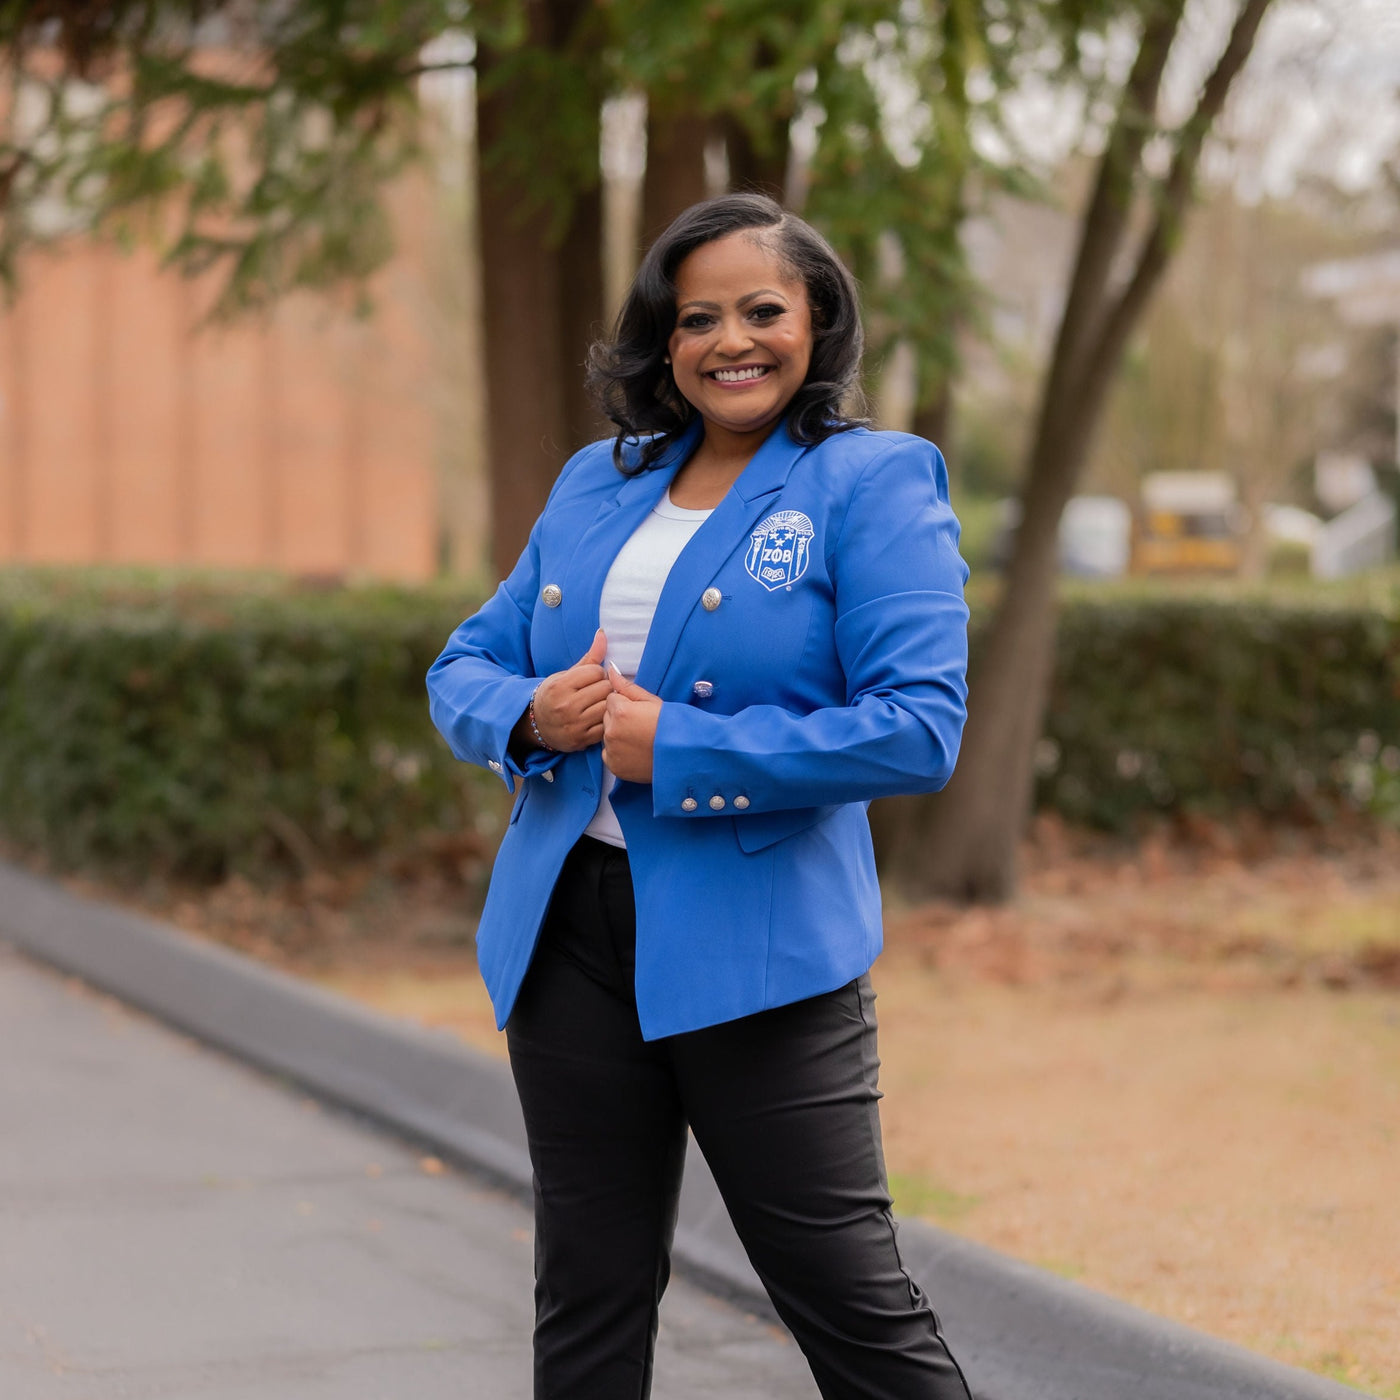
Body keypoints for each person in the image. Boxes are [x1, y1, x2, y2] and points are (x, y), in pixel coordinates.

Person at [426, 192, 972, 1400]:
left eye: (762, 310)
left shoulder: (870, 481)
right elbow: (460, 663)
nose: (731, 339)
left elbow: (917, 728)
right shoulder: (595, 481)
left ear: (816, 320)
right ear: (661, 344)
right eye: (696, 318)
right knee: (586, 1297)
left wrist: (680, 748)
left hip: (760, 949)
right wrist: (529, 714)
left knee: (846, 1300)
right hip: (567, 937)